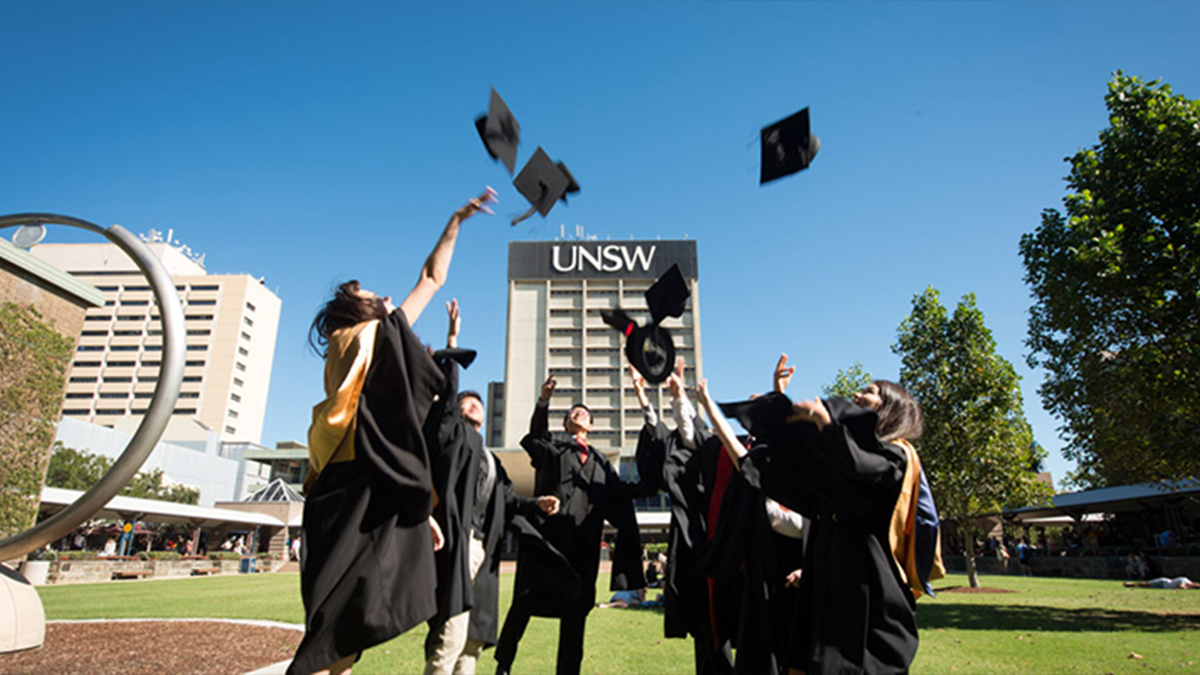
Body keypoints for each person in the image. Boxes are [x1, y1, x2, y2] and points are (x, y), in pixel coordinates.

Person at [288, 187, 496, 675]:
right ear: (353, 312)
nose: (382, 296)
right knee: (331, 628)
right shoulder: (358, 338)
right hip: (347, 489)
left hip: (361, 485)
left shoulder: (373, 341)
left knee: (348, 630)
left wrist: (456, 221)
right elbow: (429, 279)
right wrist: (455, 221)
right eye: (369, 295)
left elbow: (431, 277)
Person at [696, 354, 944, 675]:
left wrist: (823, 420)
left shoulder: (897, 456)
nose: (857, 395)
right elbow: (780, 469)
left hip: (869, 591)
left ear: (890, 408)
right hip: (827, 586)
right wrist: (777, 413)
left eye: (868, 391)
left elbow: (858, 465)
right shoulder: (835, 466)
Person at [423, 300, 559, 675]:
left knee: (474, 643)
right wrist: (453, 340)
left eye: (478, 402)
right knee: (450, 631)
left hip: (486, 549)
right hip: (458, 539)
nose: (475, 404)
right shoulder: (452, 435)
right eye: (468, 400)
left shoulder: (491, 459)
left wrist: (538, 504)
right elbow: (446, 402)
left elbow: (509, 499)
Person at [494, 375, 645, 675]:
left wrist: (654, 483)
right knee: (524, 603)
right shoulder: (554, 450)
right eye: (574, 413)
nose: (580, 414)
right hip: (547, 543)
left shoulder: (602, 462)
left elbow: (621, 493)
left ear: (590, 426)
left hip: (582, 552)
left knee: (575, 617)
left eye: (585, 414)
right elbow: (536, 437)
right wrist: (543, 401)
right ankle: (504, 665)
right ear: (565, 425)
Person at [1125, 576, 1199, 589]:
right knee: (1147, 584)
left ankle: (1132, 585)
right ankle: (1131, 584)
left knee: (1147, 586)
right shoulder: (1184, 580)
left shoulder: (1188, 583)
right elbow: (1182, 586)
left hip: (1164, 587)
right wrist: (1186, 587)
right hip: (1163, 582)